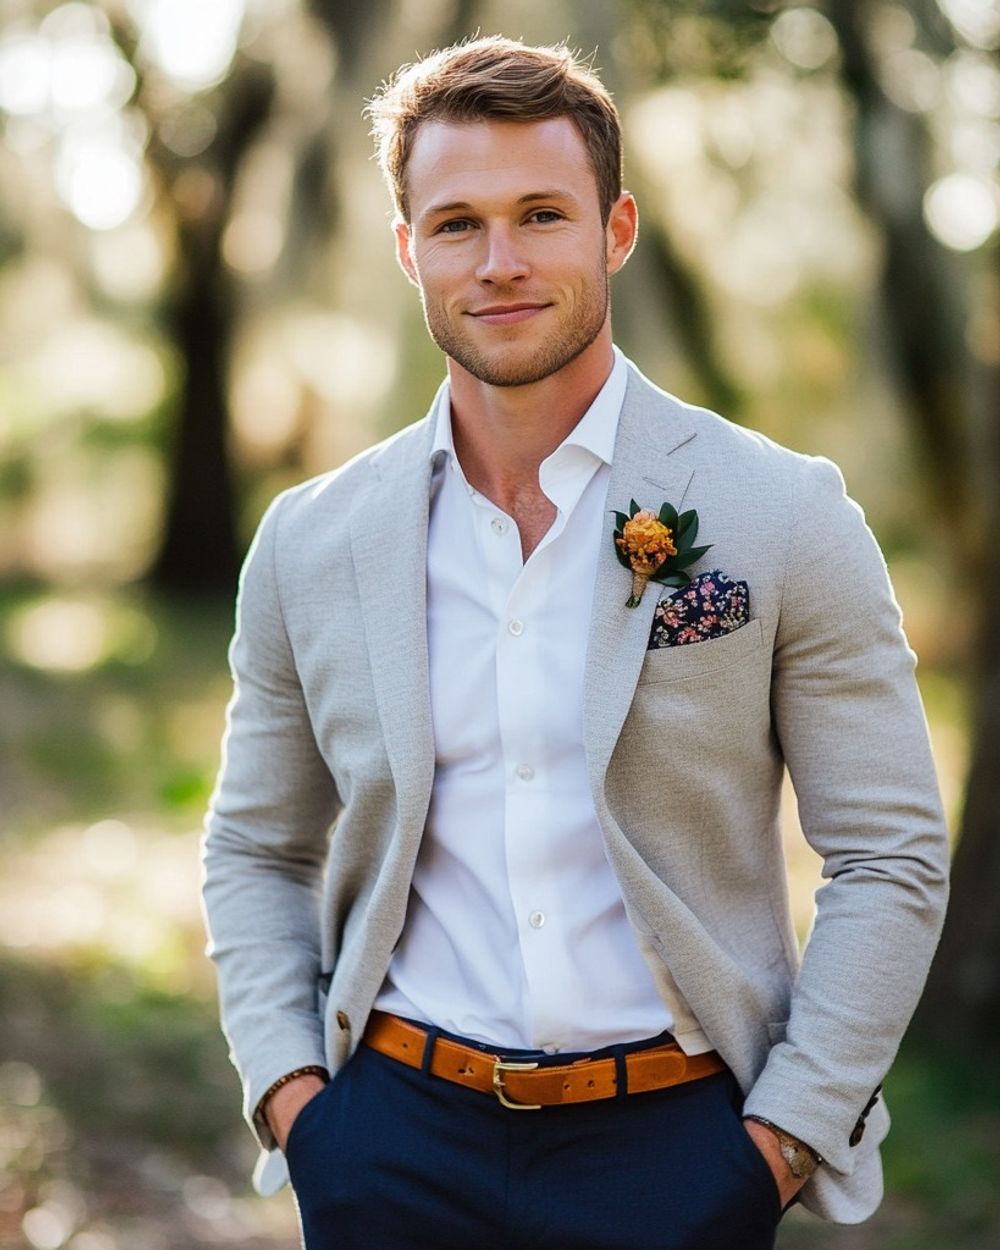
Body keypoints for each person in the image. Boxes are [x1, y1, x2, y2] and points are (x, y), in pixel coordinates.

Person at [202, 35, 949, 1250]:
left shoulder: (782, 514)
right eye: (457, 224)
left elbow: (889, 850)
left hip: (679, 1149)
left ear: (615, 229)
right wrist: (296, 1100)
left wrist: (781, 1139)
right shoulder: (310, 540)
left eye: (541, 214)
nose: (499, 261)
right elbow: (254, 843)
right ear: (408, 250)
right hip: (387, 1146)